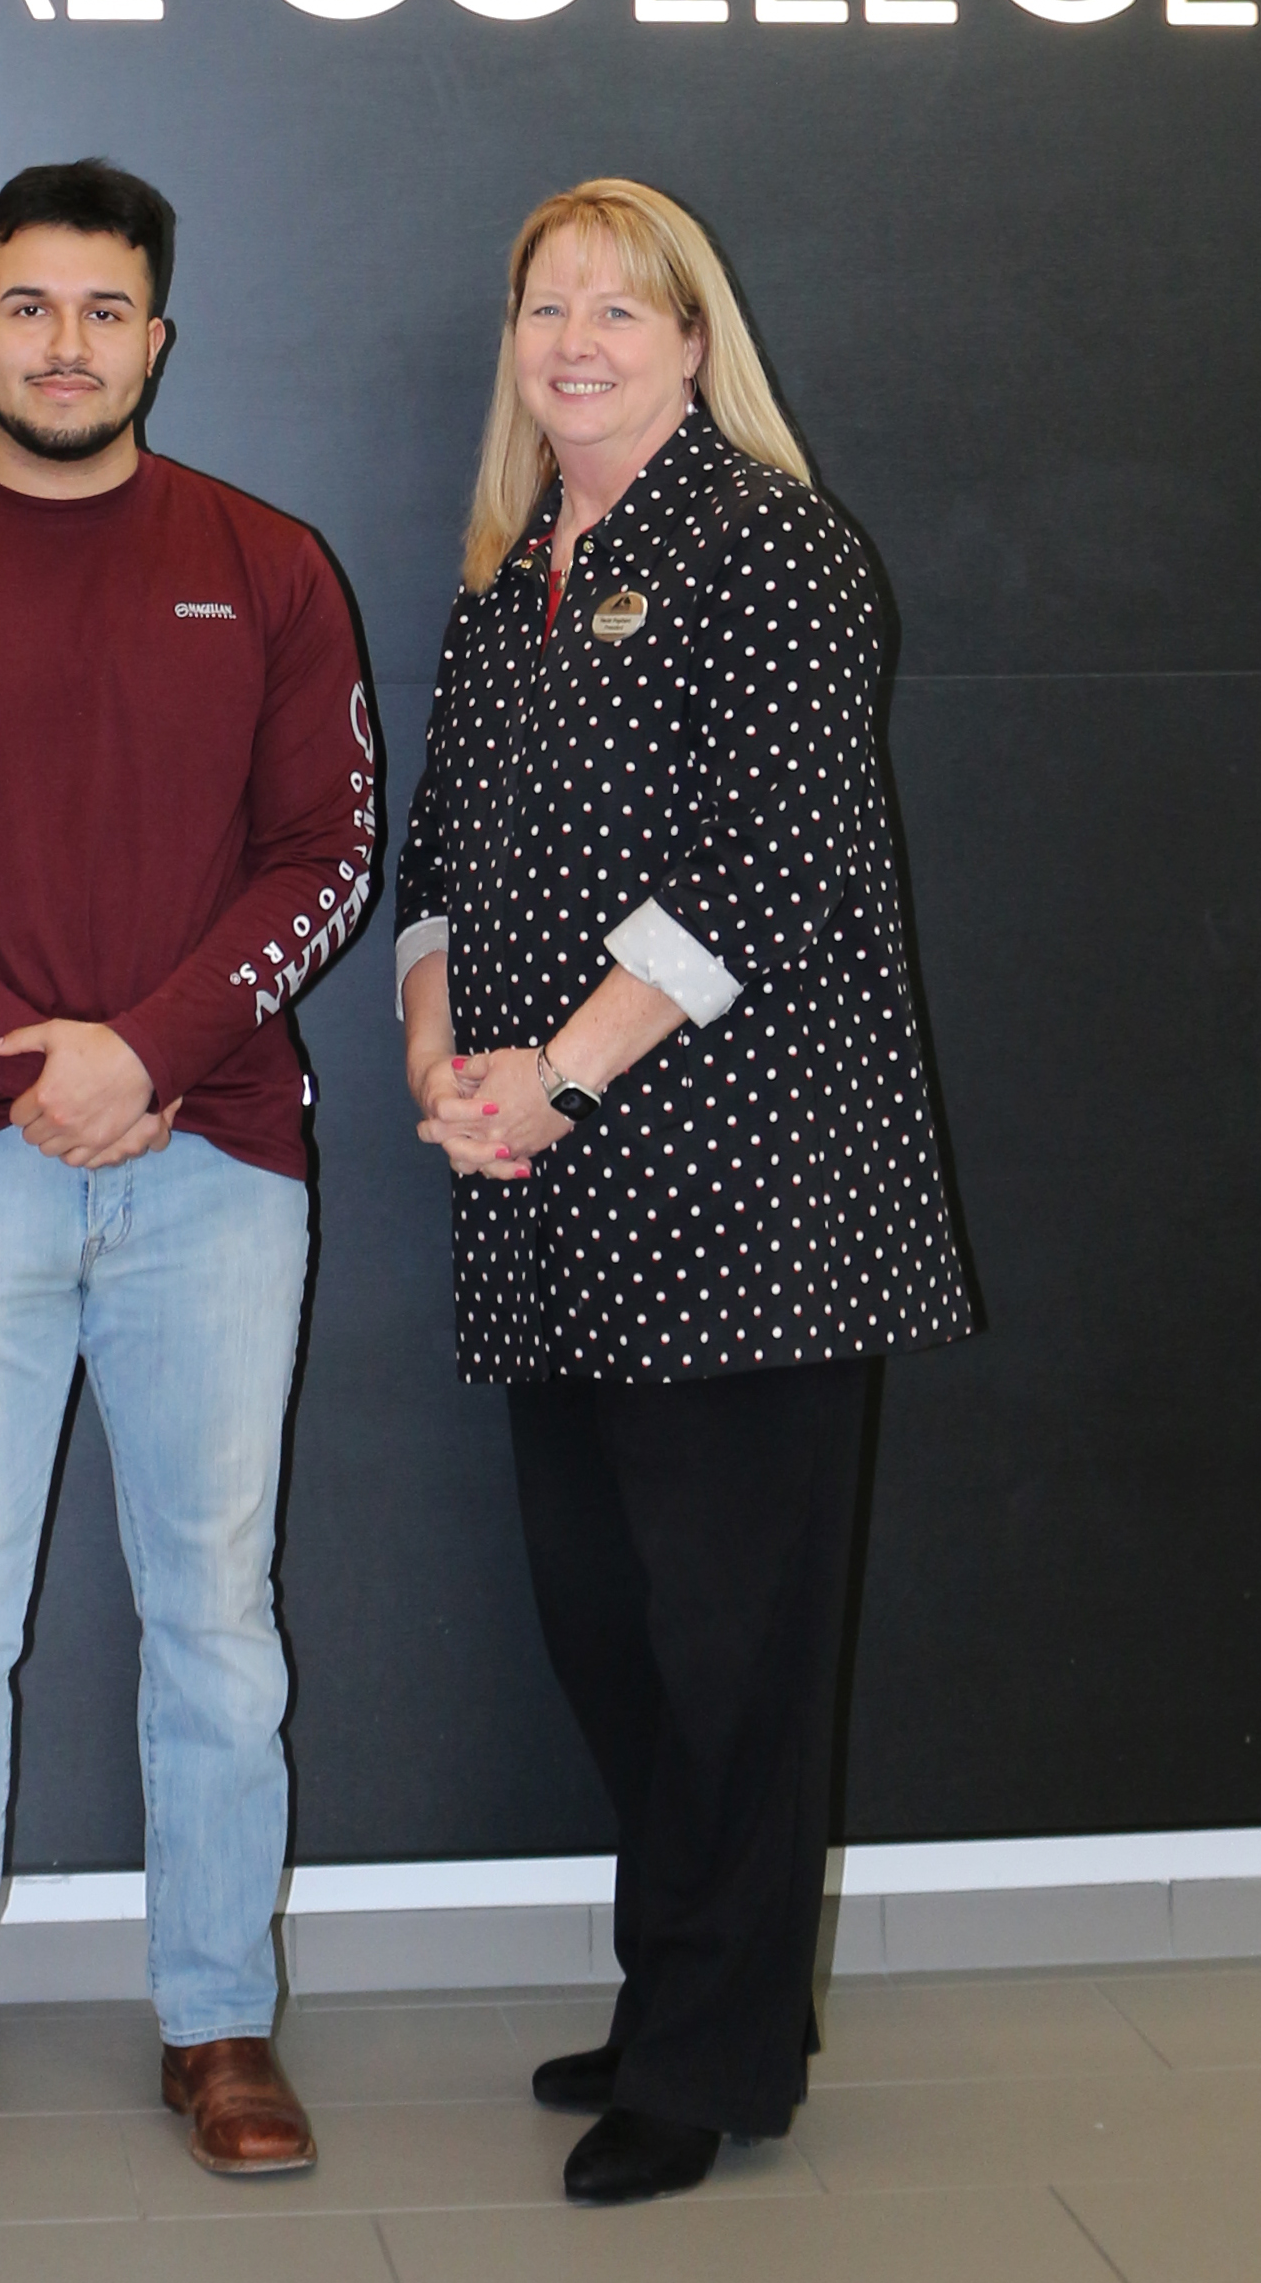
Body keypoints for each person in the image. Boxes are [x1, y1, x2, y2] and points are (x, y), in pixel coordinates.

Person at [0, 158, 375, 2199]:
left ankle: (215, 2015)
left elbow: (326, 856)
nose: (63, 343)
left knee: (214, 1613)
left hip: (216, 1163)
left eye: (103, 310)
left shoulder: (265, 561)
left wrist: (151, 1047)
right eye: (27, 306)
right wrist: (35, 1054)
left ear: (154, 336)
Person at [396, 178, 974, 2211]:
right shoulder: (503, 581)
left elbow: (762, 858)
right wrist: (441, 1067)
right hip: (546, 1189)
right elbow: (435, 869)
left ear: (690, 338)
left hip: (749, 1198)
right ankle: (695, 1988)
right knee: (608, 1629)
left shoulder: (774, 548)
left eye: (615, 308)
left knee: (729, 1643)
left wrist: (551, 1070)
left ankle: (710, 2049)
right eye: (541, 301)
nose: (571, 337)